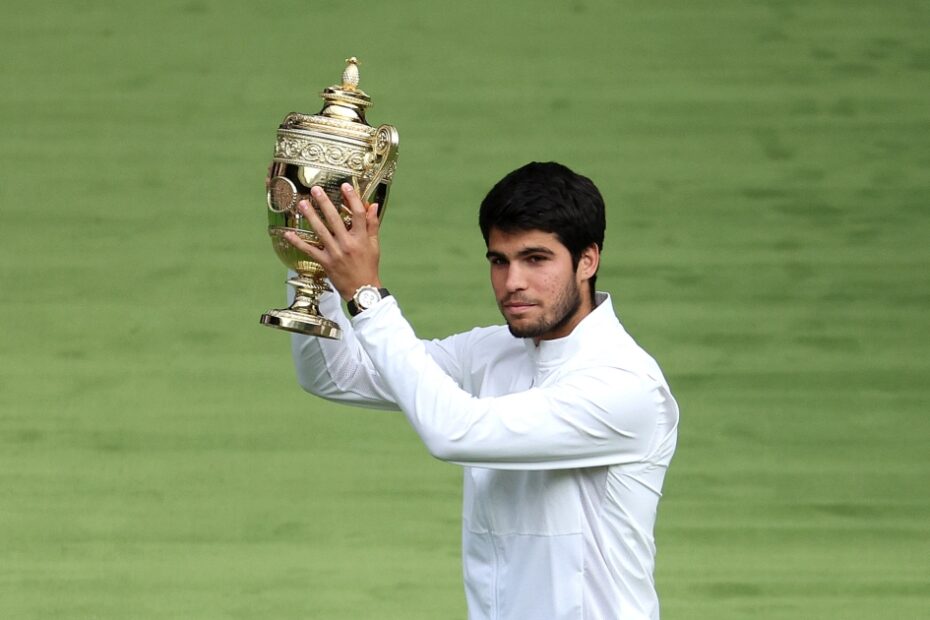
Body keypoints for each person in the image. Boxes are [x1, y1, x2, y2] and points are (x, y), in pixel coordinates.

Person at [283, 162, 679, 620]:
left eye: (536, 259)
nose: (513, 283)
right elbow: (336, 375)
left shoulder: (625, 384)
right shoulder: (491, 351)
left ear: (587, 260)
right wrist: (317, 269)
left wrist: (367, 297)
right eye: (499, 260)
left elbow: (455, 432)